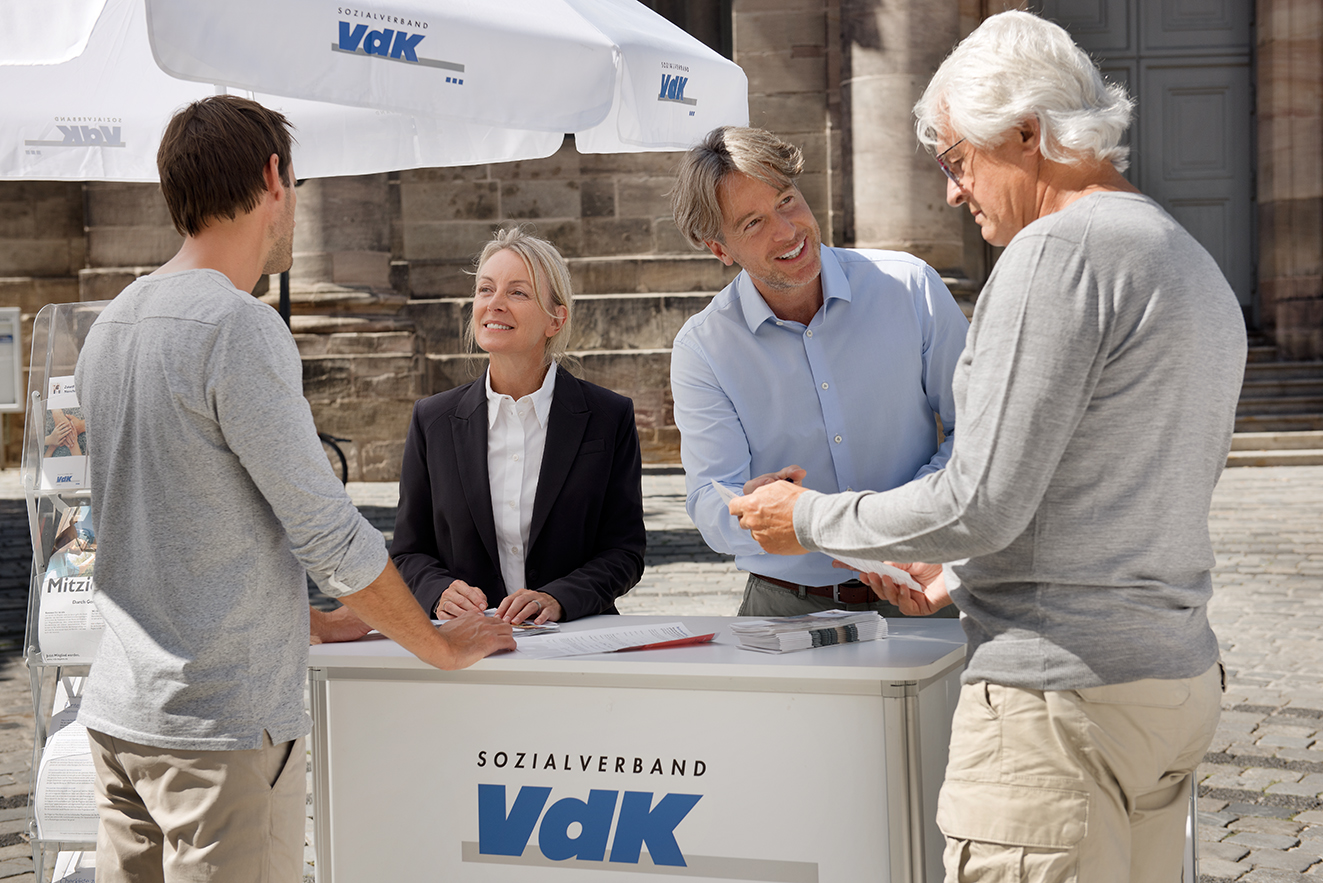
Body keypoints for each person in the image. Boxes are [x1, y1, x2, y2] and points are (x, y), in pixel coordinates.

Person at [731, 12, 1245, 881]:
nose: (950, 193)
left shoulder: (1056, 253)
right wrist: (957, 572)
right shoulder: (1180, 254)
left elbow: (978, 499)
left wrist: (809, 516)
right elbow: (1113, 479)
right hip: (1168, 684)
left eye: (956, 160)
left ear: (1025, 132)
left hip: (1058, 707)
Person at [73, 95, 514, 883]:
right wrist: (439, 646)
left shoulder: (113, 324)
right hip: (219, 730)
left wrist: (304, 619)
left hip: (120, 718)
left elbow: (149, 522)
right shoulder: (236, 326)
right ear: (275, 177)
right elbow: (327, 532)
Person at [668, 125, 968, 617]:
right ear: (719, 249)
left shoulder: (909, 288)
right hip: (785, 607)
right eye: (752, 223)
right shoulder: (703, 348)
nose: (786, 231)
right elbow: (708, 497)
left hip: (927, 587)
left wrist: (898, 525)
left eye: (786, 200)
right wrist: (750, 508)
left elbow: (979, 431)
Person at [390, 228, 646, 625]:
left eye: (518, 293)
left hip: (574, 644)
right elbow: (408, 551)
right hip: (466, 649)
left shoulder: (609, 417)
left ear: (555, 318)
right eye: (485, 289)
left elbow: (625, 552)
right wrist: (438, 592)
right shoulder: (432, 421)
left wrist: (558, 598)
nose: (494, 304)